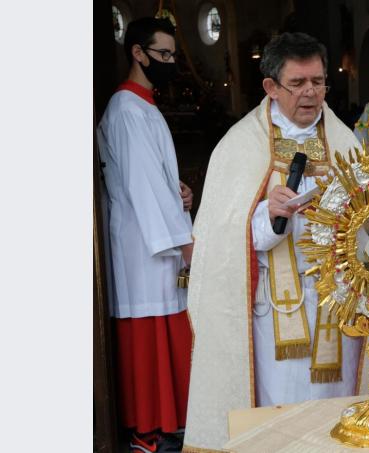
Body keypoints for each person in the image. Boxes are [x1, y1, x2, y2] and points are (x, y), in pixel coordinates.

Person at [183, 32, 369, 452]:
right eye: (298, 83)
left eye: (319, 81)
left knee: (339, 418)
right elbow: (221, 242)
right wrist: (266, 215)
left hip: (338, 314)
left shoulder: (345, 142)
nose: (311, 92)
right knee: (282, 426)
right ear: (271, 87)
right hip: (273, 319)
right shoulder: (240, 146)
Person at [96, 17, 194, 453]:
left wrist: (179, 191)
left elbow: (153, 178)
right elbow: (143, 187)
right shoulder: (127, 110)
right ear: (137, 53)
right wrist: (186, 243)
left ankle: (168, 423)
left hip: (156, 236)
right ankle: (147, 430)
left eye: (173, 54)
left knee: (167, 328)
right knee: (149, 335)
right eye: (163, 54)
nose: (170, 62)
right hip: (144, 244)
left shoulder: (144, 106)